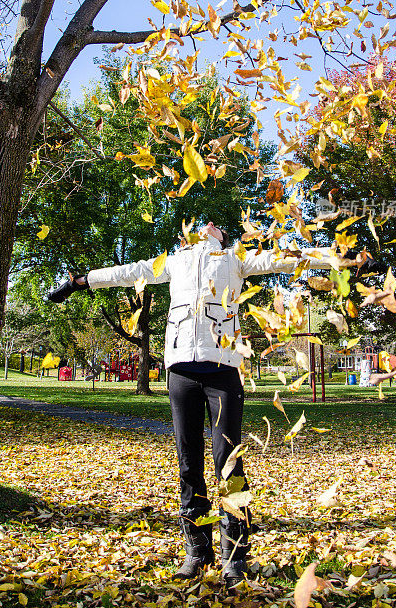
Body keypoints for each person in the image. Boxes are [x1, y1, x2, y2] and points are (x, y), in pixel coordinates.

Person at [47, 222, 352, 585]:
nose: (206, 224)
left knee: (228, 464)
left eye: (216, 226)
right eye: (199, 223)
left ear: (223, 236)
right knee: (188, 463)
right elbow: (127, 272)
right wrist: (82, 281)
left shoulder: (235, 258)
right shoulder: (174, 261)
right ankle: (197, 550)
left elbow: (285, 259)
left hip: (222, 370)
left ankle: (234, 556)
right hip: (181, 373)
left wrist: (344, 258)